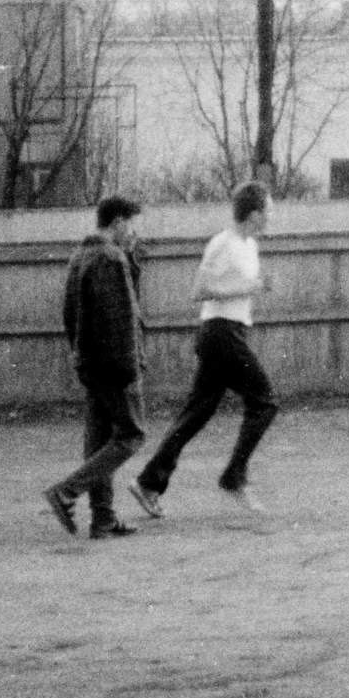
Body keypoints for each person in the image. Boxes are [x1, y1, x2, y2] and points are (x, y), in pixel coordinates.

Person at [135, 180, 276, 518]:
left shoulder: (250, 246)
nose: (271, 216)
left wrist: (252, 288)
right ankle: (233, 476)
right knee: (264, 401)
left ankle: (148, 483)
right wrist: (250, 286)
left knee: (196, 414)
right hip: (220, 333)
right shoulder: (222, 243)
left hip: (233, 332)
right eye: (268, 210)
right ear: (255, 213)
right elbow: (199, 290)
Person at [47, 195, 149, 535]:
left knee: (99, 439)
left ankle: (103, 517)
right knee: (132, 434)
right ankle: (66, 491)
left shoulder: (82, 256)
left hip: (91, 364)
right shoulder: (109, 257)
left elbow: (69, 314)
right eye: (131, 223)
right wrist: (129, 368)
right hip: (114, 366)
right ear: (118, 221)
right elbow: (118, 320)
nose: (134, 232)